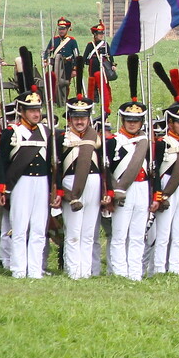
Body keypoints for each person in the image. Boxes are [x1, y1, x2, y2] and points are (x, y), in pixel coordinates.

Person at [0, 79, 54, 278]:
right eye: (31, 110)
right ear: (22, 111)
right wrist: (2, 186)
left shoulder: (46, 132)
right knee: (19, 227)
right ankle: (19, 269)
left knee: (38, 228)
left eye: (38, 109)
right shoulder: (12, 131)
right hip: (21, 182)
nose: (36, 113)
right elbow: (2, 161)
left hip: (42, 182)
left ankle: (35, 270)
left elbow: (53, 163)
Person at [57, 88, 103, 280]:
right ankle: (74, 270)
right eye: (75, 117)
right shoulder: (61, 139)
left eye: (83, 117)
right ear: (69, 119)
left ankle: (86, 271)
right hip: (72, 182)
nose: (80, 121)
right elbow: (56, 167)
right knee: (74, 231)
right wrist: (59, 191)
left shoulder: (96, 138)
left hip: (94, 183)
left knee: (89, 231)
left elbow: (104, 166)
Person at [107, 87, 151, 281]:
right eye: (129, 120)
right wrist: (113, 190)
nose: (132, 124)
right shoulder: (113, 142)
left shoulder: (145, 142)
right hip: (123, 189)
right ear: (123, 120)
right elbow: (106, 170)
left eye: (136, 121)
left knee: (137, 234)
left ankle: (135, 272)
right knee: (119, 234)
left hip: (142, 188)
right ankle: (119, 271)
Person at [151, 99, 179, 276]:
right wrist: (158, 193)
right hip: (167, 184)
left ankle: (174, 269)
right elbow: (154, 171)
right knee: (163, 232)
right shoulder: (162, 143)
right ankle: (160, 269)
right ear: (170, 123)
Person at [42, 17, 79, 105]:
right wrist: (45, 60)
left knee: (65, 83)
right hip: (56, 64)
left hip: (67, 64)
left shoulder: (72, 41)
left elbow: (76, 55)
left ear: (67, 29)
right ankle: (54, 99)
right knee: (54, 81)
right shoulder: (54, 40)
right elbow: (48, 51)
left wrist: (74, 69)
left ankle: (64, 98)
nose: (61, 31)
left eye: (63, 29)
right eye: (60, 29)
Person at [83, 22, 114, 107]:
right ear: (95, 35)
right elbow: (85, 56)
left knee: (104, 82)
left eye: (102, 33)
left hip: (103, 65)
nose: (101, 35)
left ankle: (106, 98)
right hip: (93, 65)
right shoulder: (90, 45)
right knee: (93, 82)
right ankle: (93, 99)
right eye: (99, 34)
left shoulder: (105, 44)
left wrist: (113, 64)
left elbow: (110, 55)